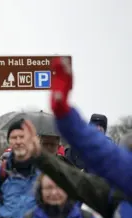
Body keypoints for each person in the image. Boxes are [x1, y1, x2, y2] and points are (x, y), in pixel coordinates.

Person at [49, 57, 132, 197]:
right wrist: (62, 111)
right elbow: (83, 138)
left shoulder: (111, 151)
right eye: (94, 126)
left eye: (101, 127)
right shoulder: (76, 150)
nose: (98, 130)